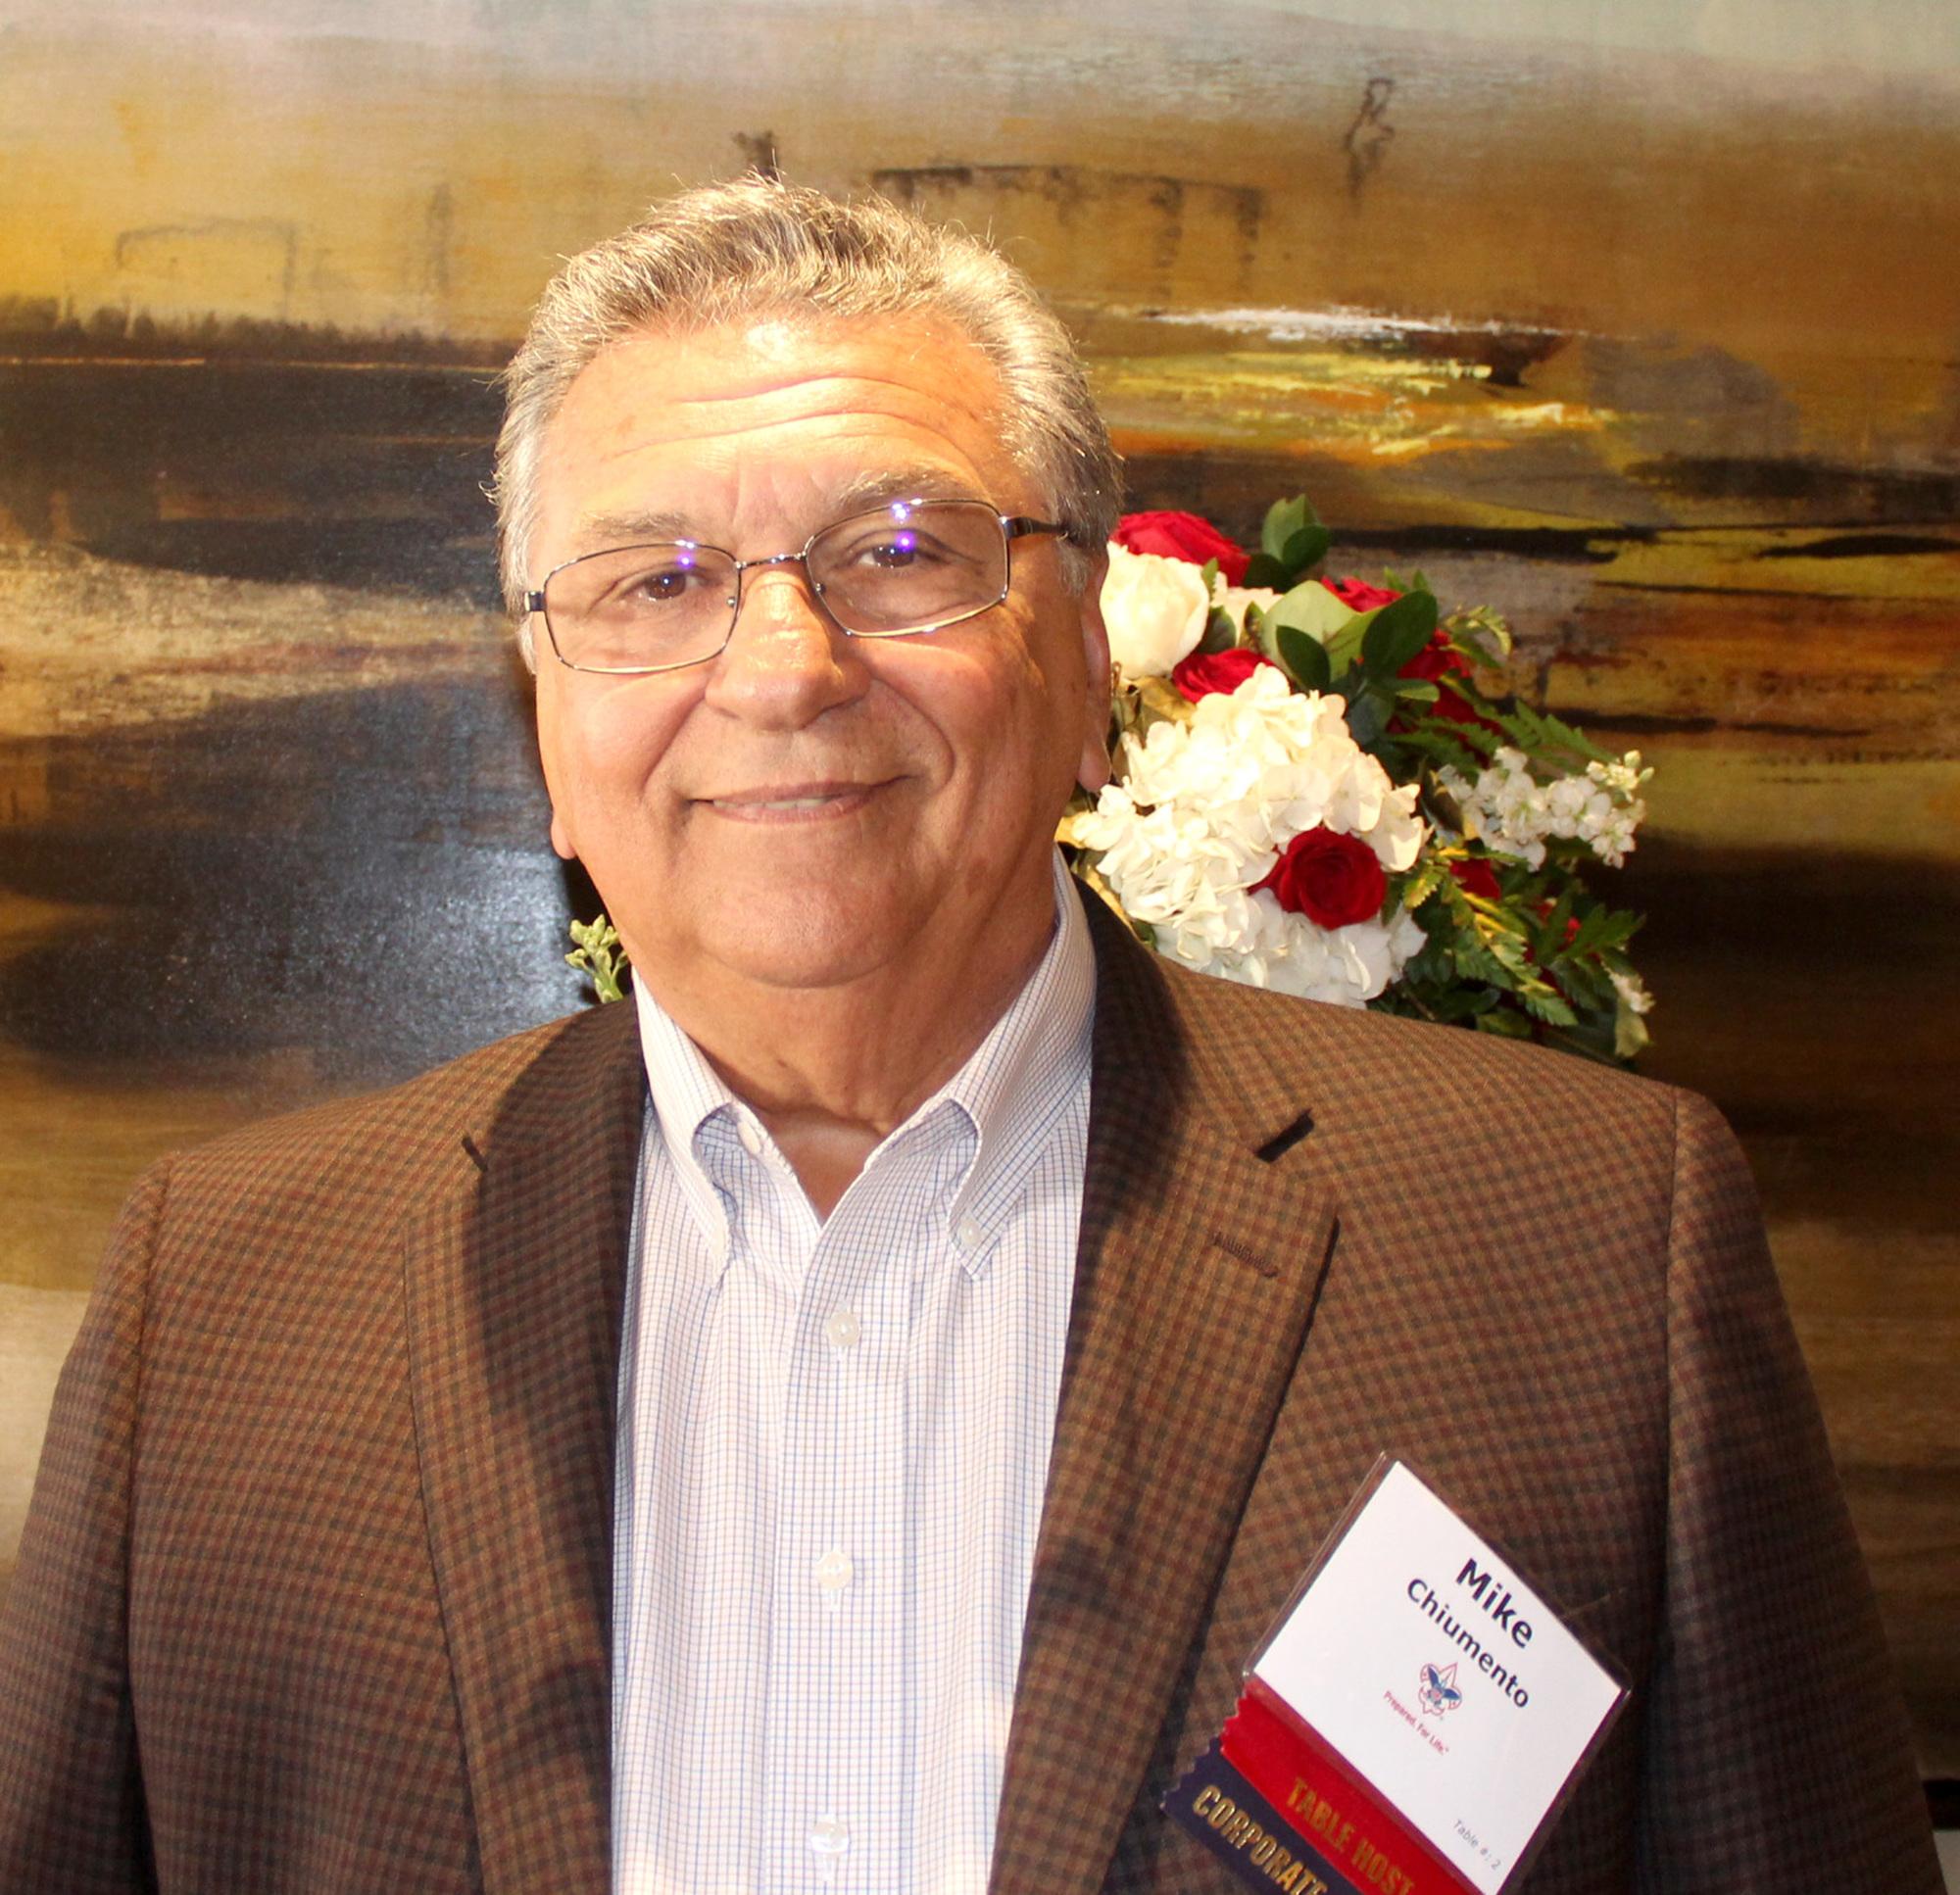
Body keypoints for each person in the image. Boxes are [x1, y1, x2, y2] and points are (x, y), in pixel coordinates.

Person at [0, 178, 1940, 1895]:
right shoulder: (225, 1305)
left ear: (1087, 655)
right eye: (654, 578)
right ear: (549, 732)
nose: (779, 667)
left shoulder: (1583, 1251)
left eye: (903, 550)